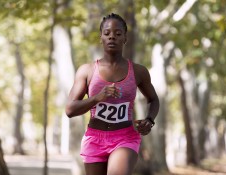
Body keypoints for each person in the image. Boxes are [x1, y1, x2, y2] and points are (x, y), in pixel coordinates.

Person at [65, 13, 160, 175]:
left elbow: (153, 99)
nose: (112, 37)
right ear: (100, 37)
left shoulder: (138, 71)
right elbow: (70, 110)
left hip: (125, 138)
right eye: (107, 33)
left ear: (125, 38)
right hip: (94, 139)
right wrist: (97, 98)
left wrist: (149, 119)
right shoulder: (86, 71)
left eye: (117, 34)